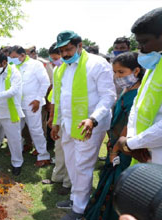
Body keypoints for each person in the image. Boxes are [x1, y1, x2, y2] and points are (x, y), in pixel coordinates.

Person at [51, 31, 116, 220]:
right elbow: (60, 98)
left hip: (90, 125)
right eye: (61, 51)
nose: (65, 54)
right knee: (72, 163)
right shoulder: (61, 69)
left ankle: (79, 210)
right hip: (68, 124)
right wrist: (56, 122)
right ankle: (76, 198)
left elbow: (108, 96)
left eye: (68, 49)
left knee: (83, 166)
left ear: (80, 46)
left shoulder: (97, 64)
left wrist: (93, 119)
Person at [84, 52, 144, 220]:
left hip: (123, 148)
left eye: (121, 72)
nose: (117, 76)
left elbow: (128, 124)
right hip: (116, 145)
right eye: (115, 72)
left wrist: (114, 149)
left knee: (117, 185)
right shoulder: (128, 90)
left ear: (136, 71)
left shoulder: (137, 95)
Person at [115, 7, 162, 165]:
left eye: (144, 42)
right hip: (145, 151)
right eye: (138, 43)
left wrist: (131, 144)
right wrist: (132, 140)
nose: (140, 48)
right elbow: (138, 106)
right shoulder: (154, 66)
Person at [9, 45, 51, 167]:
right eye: (11, 57)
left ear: (22, 55)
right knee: (16, 129)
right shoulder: (13, 66)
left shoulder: (35, 65)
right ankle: (18, 151)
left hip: (32, 103)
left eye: (14, 57)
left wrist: (38, 99)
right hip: (17, 103)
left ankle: (43, 155)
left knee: (35, 129)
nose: (12, 59)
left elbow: (45, 82)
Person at [42, 42, 72, 196]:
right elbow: (54, 96)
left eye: (57, 58)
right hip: (60, 116)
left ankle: (68, 182)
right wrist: (53, 117)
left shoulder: (77, 70)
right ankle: (57, 177)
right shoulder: (58, 70)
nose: (57, 61)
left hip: (73, 117)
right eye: (53, 59)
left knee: (70, 152)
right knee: (59, 148)